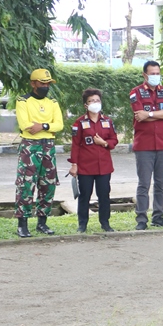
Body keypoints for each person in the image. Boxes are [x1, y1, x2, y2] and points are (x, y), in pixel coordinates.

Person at [14, 68, 63, 238]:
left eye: (48, 83)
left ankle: (42, 223)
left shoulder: (53, 103)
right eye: (42, 83)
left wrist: (43, 126)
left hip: (48, 146)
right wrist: (47, 126)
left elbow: (59, 125)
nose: (45, 86)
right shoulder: (23, 101)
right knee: (26, 184)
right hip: (30, 146)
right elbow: (25, 124)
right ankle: (22, 224)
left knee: (48, 184)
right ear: (33, 83)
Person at [129, 60, 163, 230]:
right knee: (144, 184)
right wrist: (159, 115)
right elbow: (138, 116)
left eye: (158, 73)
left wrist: (149, 114)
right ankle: (141, 219)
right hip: (144, 146)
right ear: (145, 75)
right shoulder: (136, 93)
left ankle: (158, 216)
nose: (156, 76)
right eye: (152, 73)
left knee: (161, 183)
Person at [67, 88, 118, 233]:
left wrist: (105, 143)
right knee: (85, 196)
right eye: (91, 101)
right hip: (85, 167)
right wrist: (74, 165)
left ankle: (105, 223)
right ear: (86, 105)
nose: (95, 103)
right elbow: (75, 145)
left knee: (104, 195)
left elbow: (114, 139)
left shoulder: (107, 121)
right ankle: (82, 224)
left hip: (104, 166)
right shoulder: (79, 123)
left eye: (97, 100)